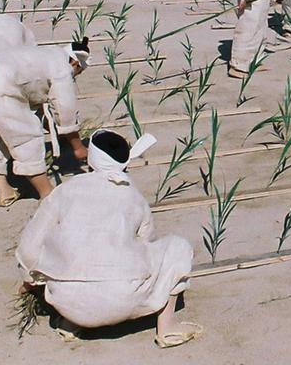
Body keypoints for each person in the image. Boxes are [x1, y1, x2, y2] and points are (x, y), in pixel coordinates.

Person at [16, 130, 200, 348]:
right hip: (122, 302)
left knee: (61, 247)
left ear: (91, 159)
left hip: (67, 302)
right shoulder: (133, 196)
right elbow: (147, 242)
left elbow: (29, 245)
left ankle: (71, 323)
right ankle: (167, 326)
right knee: (177, 246)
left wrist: (30, 281)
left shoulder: (65, 190)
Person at [0, 39, 90, 206]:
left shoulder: (43, 52)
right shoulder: (62, 67)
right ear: (75, 63)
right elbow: (64, 109)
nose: (75, 76)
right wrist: (78, 147)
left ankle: (5, 190)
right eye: (78, 72)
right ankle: (47, 193)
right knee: (25, 136)